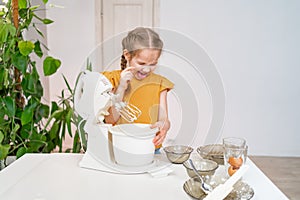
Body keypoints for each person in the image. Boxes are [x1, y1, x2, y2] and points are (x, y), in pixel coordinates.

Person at [102, 27, 174, 152]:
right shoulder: (112, 80)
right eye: (141, 63)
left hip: (150, 148)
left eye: (152, 64)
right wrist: (122, 87)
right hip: (119, 147)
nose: (146, 70)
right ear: (127, 55)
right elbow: (109, 120)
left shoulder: (160, 83)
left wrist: (164, 126)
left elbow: (163, 119)